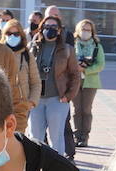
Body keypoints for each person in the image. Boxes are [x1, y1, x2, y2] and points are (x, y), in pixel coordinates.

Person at [26, 13, 81, 157]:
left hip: (57, 99)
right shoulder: (33, 47)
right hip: (36, 100)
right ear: (41, 28)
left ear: (59, 30)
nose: (49, 29)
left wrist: (68, 96)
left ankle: (56, 168)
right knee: (34, 137)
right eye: (46, 26)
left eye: (53, 27)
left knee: (56, 138)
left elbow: (75, 74)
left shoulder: (67, 49)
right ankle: (36, 167)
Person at [72, 19, 106, 146]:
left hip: (90, 82)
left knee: (86, 109)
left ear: (92, 32)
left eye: (88, 30)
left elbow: (100, 65)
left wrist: (86, 70)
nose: (85, 32)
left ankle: (84, 136)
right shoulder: (73, 44)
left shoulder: (97, 46)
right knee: (77, 109)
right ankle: (76, 135)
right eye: (83, 29)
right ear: (78, 31)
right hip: (75, 81)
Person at [2, 18, 40, 117]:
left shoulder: (27, 55)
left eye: (16, 34)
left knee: (18, 132)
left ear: (21, 35)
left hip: (21, 108)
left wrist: (31, 102)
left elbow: (36, 82)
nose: (12, 37)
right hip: (1, 106)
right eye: (9, 34)